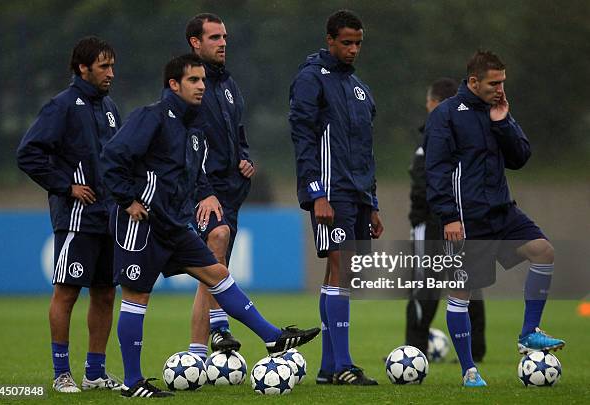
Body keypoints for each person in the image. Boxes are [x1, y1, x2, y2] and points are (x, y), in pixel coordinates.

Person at [101, 54, 320, 398]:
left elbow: (191, 174)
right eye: (193, 80)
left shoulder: (193, 128)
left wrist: (202, 195)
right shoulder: (151, 117)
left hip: (173, 224)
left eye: (203, 80)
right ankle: (132, 382)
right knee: (136, 296)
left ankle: (272, 336)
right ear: (173, 84)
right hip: (141, 222)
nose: (202, 86)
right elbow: (112, 157)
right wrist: (127, 200)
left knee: (217, 275)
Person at [425, 50, 565, 387]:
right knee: (462, 292)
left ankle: (529, 332)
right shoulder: (447, 114)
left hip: (502, 211)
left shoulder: (496, 110)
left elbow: (520, 158)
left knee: (543, 252)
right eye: (493, 83)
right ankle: (469, 370)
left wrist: (503, 122)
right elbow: (437, 170)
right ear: (473, 82)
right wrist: (449, 217)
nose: (500, 88)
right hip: (466, 218)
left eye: (503, 81)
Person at [17, 36, 122, 393]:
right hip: (77, 218)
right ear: (83, 68)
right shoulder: (61, 106)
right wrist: (66, 186)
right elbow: (28, 153)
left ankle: (95, 372)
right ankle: (61, 372)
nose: (110, 73)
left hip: (109, 216)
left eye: (112, 66)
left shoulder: (109, 107)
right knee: (67, 292)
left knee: (106, 293)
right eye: (103, 66)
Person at [289, 10, 383, 386]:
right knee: (339, 269)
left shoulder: (359, 88)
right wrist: (316, 194)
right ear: (330, 40)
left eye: (358, 43)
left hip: (358, 193)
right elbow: (302, 136)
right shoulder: (312, 79)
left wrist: (373, 202)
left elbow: (366, 149)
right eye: (347, 42)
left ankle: (330, 368)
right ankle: (342, 364)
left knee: (340, 274)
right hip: (332, 192)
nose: (353, 49)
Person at [184, 13, 255, 360]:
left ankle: (196, 356)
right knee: (217, 240)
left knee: (212, 270)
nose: (223, 42)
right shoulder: (185, 84)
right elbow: (182, 141)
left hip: (230, 192)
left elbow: (238, 135)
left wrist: (245, 159)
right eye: (214, 37)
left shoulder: (228, 85)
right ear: (195, 43)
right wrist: (203, 189)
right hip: (201, 192)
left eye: (224, 36)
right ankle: (220, 325)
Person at [405, 78, 486, 362]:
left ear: (436, 103)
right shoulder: (467, 134)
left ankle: (413, 349)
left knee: (424, 284)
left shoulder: (433, 138)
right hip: (463, 219)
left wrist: (418, 217)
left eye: (429, 102)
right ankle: (476, 349)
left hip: (432, 221)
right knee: (467, 281)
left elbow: (423, 185)